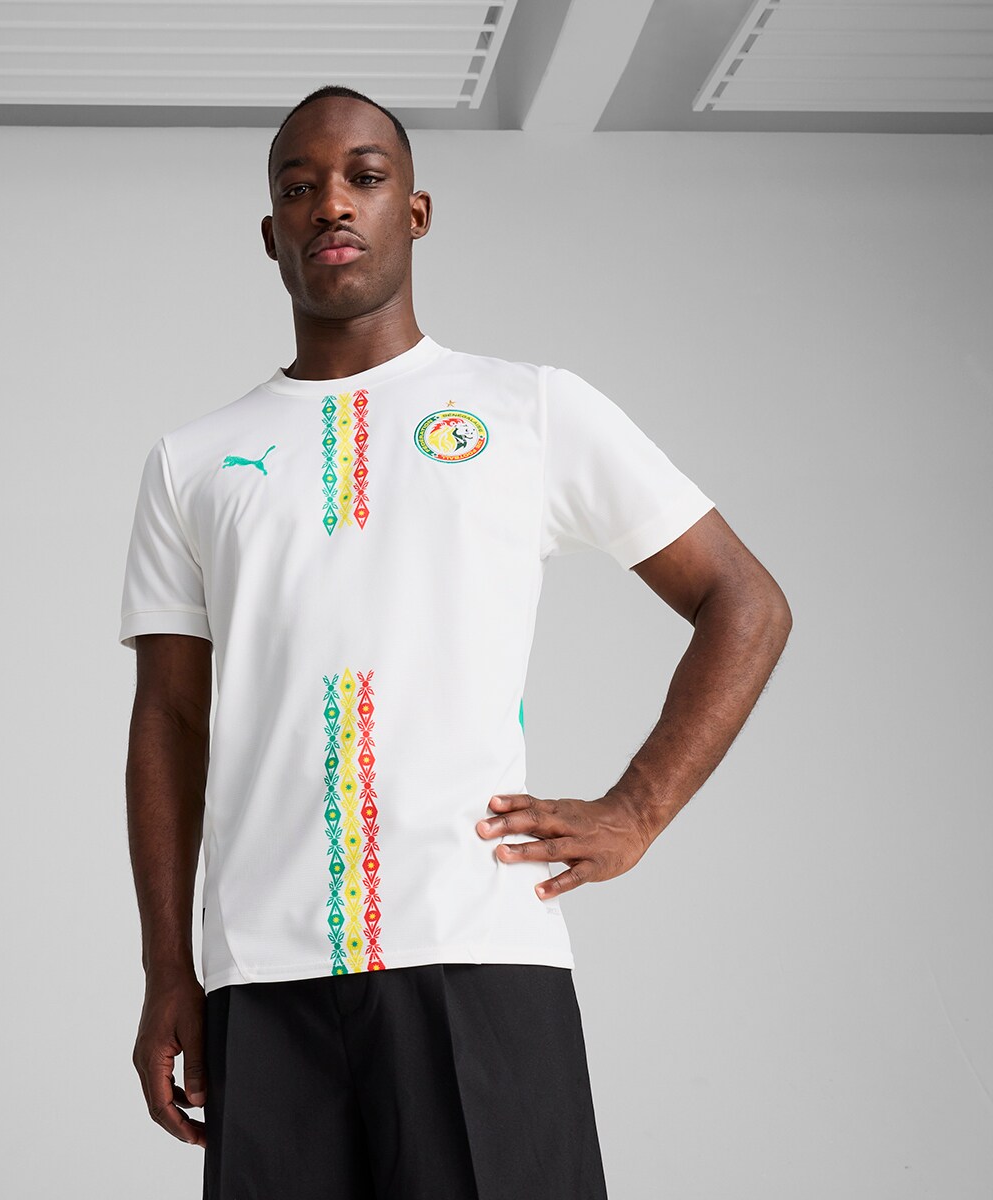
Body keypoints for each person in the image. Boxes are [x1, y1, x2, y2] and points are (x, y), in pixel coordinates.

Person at [118, 84, 792, 1199]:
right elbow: (170, 719)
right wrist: (164, 971)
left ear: (415, 212)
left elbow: (746, 602)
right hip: (262, 973)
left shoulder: (530, 410)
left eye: (364, 177)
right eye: (300, 187)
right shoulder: (191, 462)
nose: (333, 203)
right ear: (272, 234)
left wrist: (638, 809)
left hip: (479, 950)